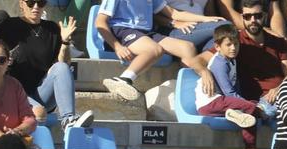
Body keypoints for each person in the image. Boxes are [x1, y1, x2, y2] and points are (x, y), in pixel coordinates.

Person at [0, 0, 95, 129]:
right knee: (38, 112)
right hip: (14, 94)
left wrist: (65, 42)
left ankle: (69, 119)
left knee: (62, 67)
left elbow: (64, 64)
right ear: (21, 3)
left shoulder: (52, 29)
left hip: (42, 92)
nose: (36, 7)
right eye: (30, 2)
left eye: (40, 2)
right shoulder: (8, 26)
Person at [96, 0, 224, 102]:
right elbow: (100, 23)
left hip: (145, 33)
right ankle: (123, 79)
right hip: (121, 31)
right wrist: (117, 46)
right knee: (155, 49)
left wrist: (205, 19)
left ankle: (196, 90)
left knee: (187, 48)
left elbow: (174, 13)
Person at [199, 0, 287, 123]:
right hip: (255, 100)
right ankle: (256, 111)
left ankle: (254, 112)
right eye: (247, 16)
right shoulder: (234, 42)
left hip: (281, 95)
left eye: (258, 16)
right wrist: (204, 72)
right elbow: (198, 60)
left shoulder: (278, 42)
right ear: (242, 17)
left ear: (265, 16)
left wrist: (280, 89)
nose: (253, 20)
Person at [195, 24, 262, 149]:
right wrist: (248, 105)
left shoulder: (231, 60)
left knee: (252, 104)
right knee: (251, 108)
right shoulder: (220, 63)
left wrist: (245, 102)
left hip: (223, 102)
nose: (233, 48)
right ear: (217, 47)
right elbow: (228, 91)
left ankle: (233, 112)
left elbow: (234, 88)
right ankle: (250, 148)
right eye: (229, 45)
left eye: (236, 44)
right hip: (210, 103)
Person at [156, 0, 232, 52]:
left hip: (199, 28)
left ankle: (200, 65)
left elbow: (210, 16)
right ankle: (198, 63)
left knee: (221, 39)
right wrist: (173, 23)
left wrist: (205, 19)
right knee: (225, 27)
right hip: (175, 30)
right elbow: (153, 14)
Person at [217, 0, 286, 36]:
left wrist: (281, 38)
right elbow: (228, 13)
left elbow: (275, 12)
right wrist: (266, 32)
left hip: (268, 28)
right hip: (242, 30)